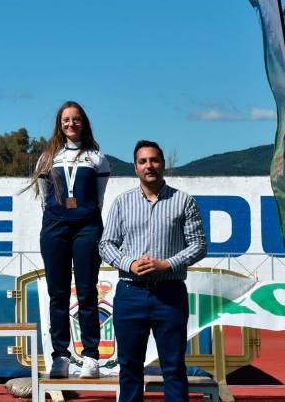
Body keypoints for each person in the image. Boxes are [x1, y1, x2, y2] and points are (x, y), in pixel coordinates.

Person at [99, 140, 206, 402]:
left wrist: (166, 264)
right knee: (129, 369)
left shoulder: (184, 201)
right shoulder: (122, 203)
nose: (150, 166)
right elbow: (106, 244)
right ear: (135, 167)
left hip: (169, 294)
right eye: (143, 161)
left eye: (154, 160)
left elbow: (199, 245)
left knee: (173, 368)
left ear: (163, 164)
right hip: (129, 293)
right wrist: (130, 264)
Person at [25, 101, 110, 378]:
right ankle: (60, 355)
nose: (71, 124)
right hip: (55, 227)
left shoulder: (97, 157)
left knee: (87, 293)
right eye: (65, 120)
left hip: (87, 227)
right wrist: (57, 217)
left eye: (75, 119)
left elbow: (98, 198)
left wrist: (84, 216)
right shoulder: (47, 157)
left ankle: (90, 356)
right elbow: (45, 198)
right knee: (57, 294)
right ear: (59, 125)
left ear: (83, 122)